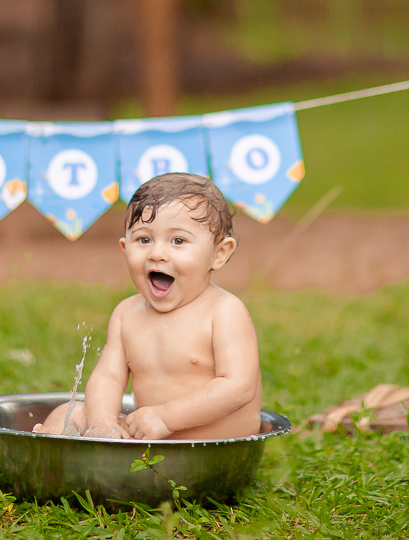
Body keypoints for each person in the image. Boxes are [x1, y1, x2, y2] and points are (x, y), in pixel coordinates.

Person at [32, 172, 262, 440]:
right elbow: (108, 378)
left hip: (211, 445)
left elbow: (238, 387)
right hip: (149, 436)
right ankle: (47, 456)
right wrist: (102, 423)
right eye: (144, 240)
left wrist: (167, 417)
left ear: (219, 253)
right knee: (66, 413)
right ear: (124, 247)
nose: (156, 253)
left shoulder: (224, 311)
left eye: (178, 241)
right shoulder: (126, 314)